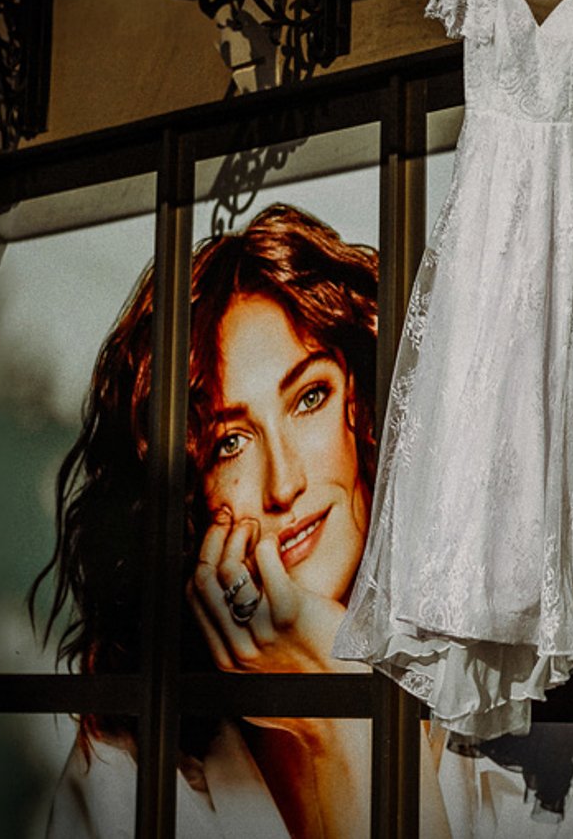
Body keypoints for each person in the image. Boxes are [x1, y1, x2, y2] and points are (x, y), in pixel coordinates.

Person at [34, 203, 448, 838]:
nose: (284, 485)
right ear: (184, 500)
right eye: (230, 442)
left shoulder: (510, 705)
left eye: (310, 397)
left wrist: (336, 696)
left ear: (367, 407)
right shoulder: (126, 780)